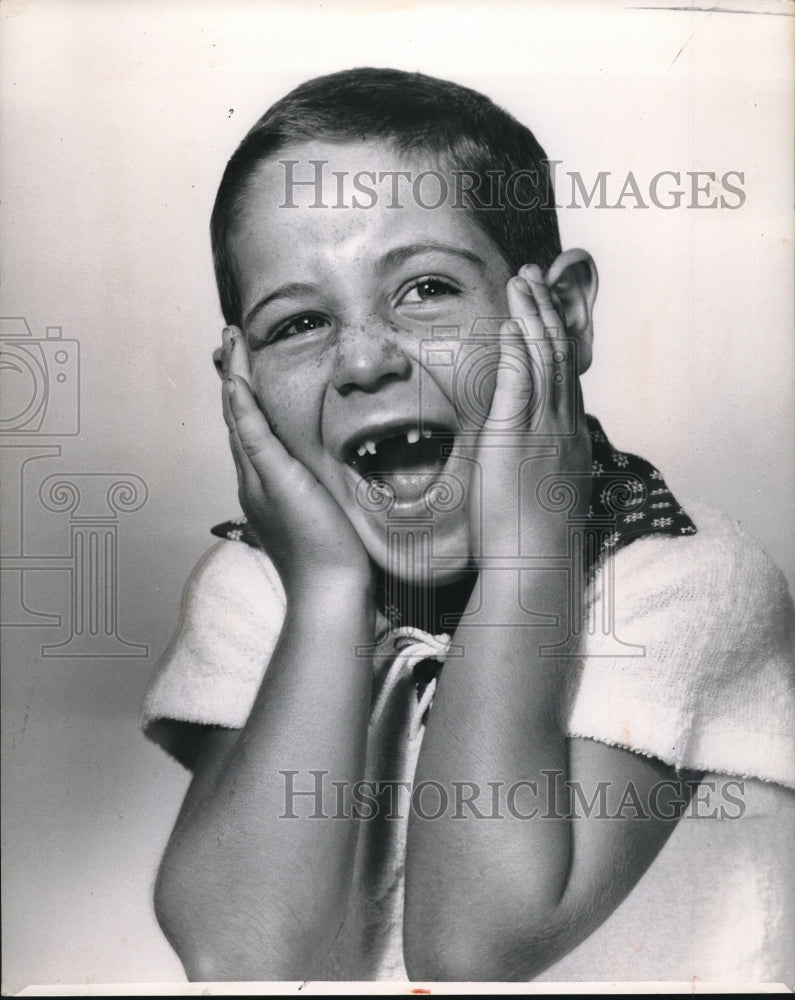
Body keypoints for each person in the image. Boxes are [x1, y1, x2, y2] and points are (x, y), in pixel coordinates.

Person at [142, 68, 795, 983]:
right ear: (240, 376)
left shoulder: (684, 576)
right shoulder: (264, 585)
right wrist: (327, 596)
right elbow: (236, 953)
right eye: (296, 323)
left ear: (560, 315)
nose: (363, 358)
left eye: (425, 289)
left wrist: (529, 559)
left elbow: (471, 952)